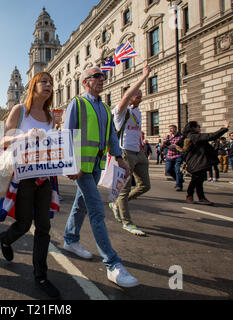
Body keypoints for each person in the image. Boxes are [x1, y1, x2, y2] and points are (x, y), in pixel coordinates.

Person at [62, 66, 139, 288]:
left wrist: (120, 158)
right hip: (82, 169)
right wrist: (72, 164)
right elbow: (67, 135)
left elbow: (111, 136)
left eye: (102, 76)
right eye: (96, 76)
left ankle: (70, 239)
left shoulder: (105, 107)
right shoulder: (77, 104)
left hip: (97, 166)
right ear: (85, 82)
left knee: (81, 205)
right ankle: (113, 264)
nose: (101, 79)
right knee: (97, 211)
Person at [0, 71, 61, 299]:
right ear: (33, 86)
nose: (48, 85)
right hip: (23, 178)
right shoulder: (20, 111)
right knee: (24, 224)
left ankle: (40, 276)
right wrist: (23, 137)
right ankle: (5, 239)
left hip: (45, 179)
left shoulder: (51, 117)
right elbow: (4, 141)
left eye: (51, 83)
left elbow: (54, 146)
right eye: (43, 81)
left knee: (43, 227)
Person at [109, 62, 151, 236]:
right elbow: (126, 96)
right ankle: (127, 222)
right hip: (125, 152)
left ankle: (117, 203)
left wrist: (142, 144)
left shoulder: (139, 112)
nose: (139, 97)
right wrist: (143, 77)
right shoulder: (119, 111)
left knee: (145, 185)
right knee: (124, 189)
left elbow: (137, 131)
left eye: (141, 95)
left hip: (139, 153)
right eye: (136, 95)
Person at [176, 121, 229, 204]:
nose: (199, 128)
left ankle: (201, 197)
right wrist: (224, 128)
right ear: (193, 127)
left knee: (199, 180)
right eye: (198, 126)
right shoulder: (194, 136)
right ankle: (190, 196)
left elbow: (178, 145)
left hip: (198, 161)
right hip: (197, 162)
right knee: (196, 179)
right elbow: (211, 136)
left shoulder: (188, 136)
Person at [163, 125, 184, 191]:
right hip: (169, 156)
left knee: (177, 170)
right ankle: (179, 179)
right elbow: (165, 145)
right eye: (169, 129)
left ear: (175, 129)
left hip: (178, 155)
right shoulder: (168, 137)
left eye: (171, 129)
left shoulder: (181, 136)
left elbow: (183, 145)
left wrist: (175, 146)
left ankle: (179, 185)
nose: (170, 130)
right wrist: (164, 145)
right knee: (168, 170)